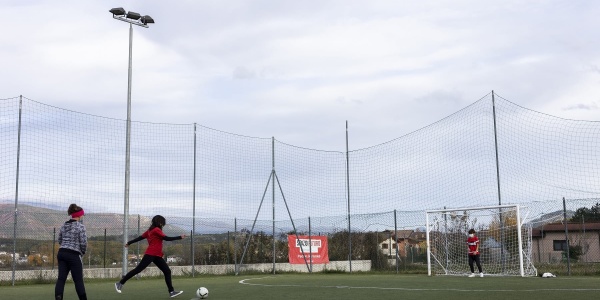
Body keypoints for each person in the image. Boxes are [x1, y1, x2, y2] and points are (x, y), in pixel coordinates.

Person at [115, 215, 186, 298]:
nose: (163, 225)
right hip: (151, 254)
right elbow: (166, 238)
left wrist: (129, 242)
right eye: (162, 223)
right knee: (138, 270)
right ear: (159, 222)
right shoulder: (156, 230)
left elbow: (139, 238)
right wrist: (179, 237)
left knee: (167, 271)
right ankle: (120, 283)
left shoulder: (149, 231)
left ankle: (171, 291)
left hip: (157, 255)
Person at [55, 204, 88, 300]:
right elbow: (83, 243)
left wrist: (65, 246)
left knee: (61, 279)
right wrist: (82, 253)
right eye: (82, 215)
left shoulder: (64, 225)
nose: (82, 217)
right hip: (74, 255)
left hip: (62, 253)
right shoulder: (81, 227)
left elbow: (60, 240)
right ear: (79, 215)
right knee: (78, 280)